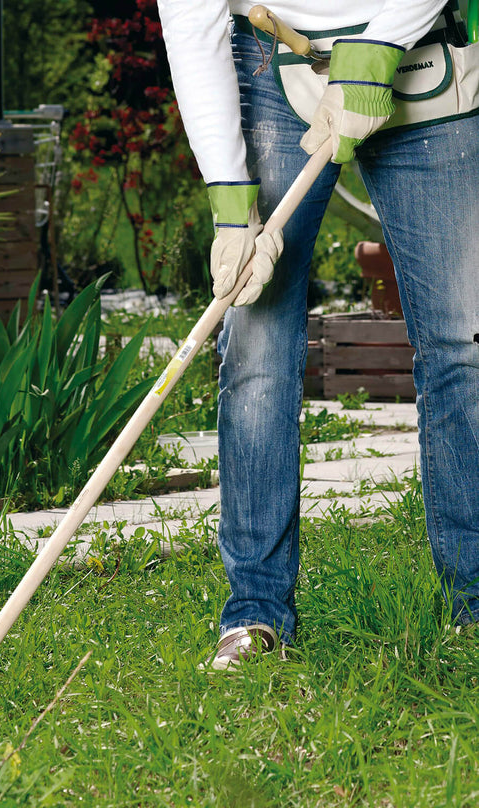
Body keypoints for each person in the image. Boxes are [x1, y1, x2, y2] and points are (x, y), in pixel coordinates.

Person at [156, 0, 479, 667]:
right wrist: (227, 195)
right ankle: (255, 615)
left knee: (461, 343)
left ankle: (474, 604)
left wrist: (381, 44)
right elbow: (193, 22)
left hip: (419, 48)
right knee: (256, 344)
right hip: (277, 63)